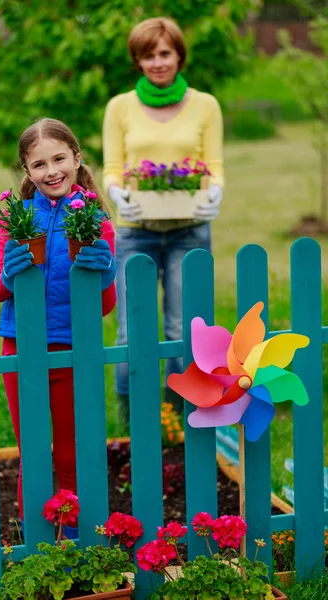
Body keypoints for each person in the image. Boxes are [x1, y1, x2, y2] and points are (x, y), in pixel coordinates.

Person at [0, 118, 116, 537]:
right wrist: (9, 276)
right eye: (39, 164)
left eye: (59, 158)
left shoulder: (95, 220)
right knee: (33, 455)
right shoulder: (15, 219)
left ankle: (75, 540)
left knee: (69, 453)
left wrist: (106, 272)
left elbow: (104, 307)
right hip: (20, 349)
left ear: (77, 159)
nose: (51, 170)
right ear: (27, 172)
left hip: (71, 350)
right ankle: (37, 544)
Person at [102, 17, 224, 425]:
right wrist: (117, 193)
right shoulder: (119, 107)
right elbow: (113, 167)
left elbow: (213, 164)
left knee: (182, 333)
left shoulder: (205, 104)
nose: (157, 62)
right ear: (137, 60)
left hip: (189, 231)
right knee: (129, 335)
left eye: (165, 53)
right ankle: (131, 422)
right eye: (148, 55)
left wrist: (215, 192)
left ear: (179, 55)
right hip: (136, 232)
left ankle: (177, 421)